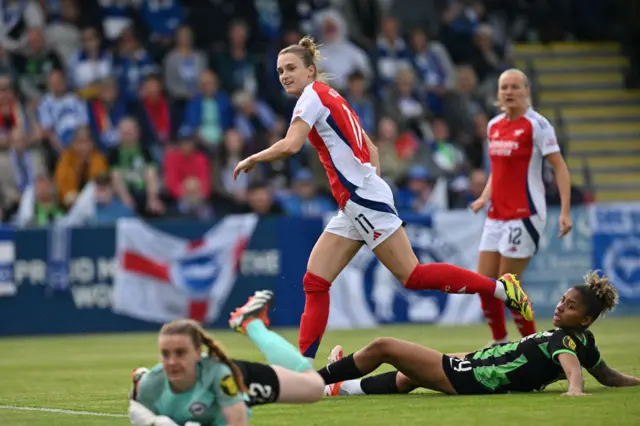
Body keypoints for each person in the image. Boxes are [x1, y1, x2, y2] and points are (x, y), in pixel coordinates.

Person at [232, 35, 534, 363]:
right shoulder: (330, 95)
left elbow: (291, 145)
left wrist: (253, 159)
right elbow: (371, 148)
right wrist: (368, 185)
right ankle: (304, 369)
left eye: (291, 68)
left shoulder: (310, 97)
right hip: (358, 200)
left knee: (413, 275)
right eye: (279, 71)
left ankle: (502, 291)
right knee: (315, 281)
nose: (284, 75)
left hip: (361, 199)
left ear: (310, 71)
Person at [318, 271, 640, 398]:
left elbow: (571, 368)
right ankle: (339, 388)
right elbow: (609, 377)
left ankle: (312, 380)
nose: (559, 308)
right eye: (561, 300)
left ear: (584, 320)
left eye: (569, 307)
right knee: (406, 377)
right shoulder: (586, 342)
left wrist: (575, 389)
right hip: (476, 365)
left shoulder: (565, 341)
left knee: (383, 346)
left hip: (470, 377)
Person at [470, 68, 573, 345]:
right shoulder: (493, 126)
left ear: (527, 91)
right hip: (496, 214)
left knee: (507, 284)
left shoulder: (537, 125)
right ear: (498, 93)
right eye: (504, 87)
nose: (509, 92)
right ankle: (499, 341)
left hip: (524, 214)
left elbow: (559, 167)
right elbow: (498, 170)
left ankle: (532, 344)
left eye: (516, 87)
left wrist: (564, 210)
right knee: (483, 284)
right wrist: (484, 197)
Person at [127, 290, 324, 426]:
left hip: (241, 384)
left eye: (180, 353)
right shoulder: (151, 387)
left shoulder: (222, 376)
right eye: (165, 354)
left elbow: (238, 422)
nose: (171, 362)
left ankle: (250, 323)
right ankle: (141, 376)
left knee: (314, 387)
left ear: (198, 352)